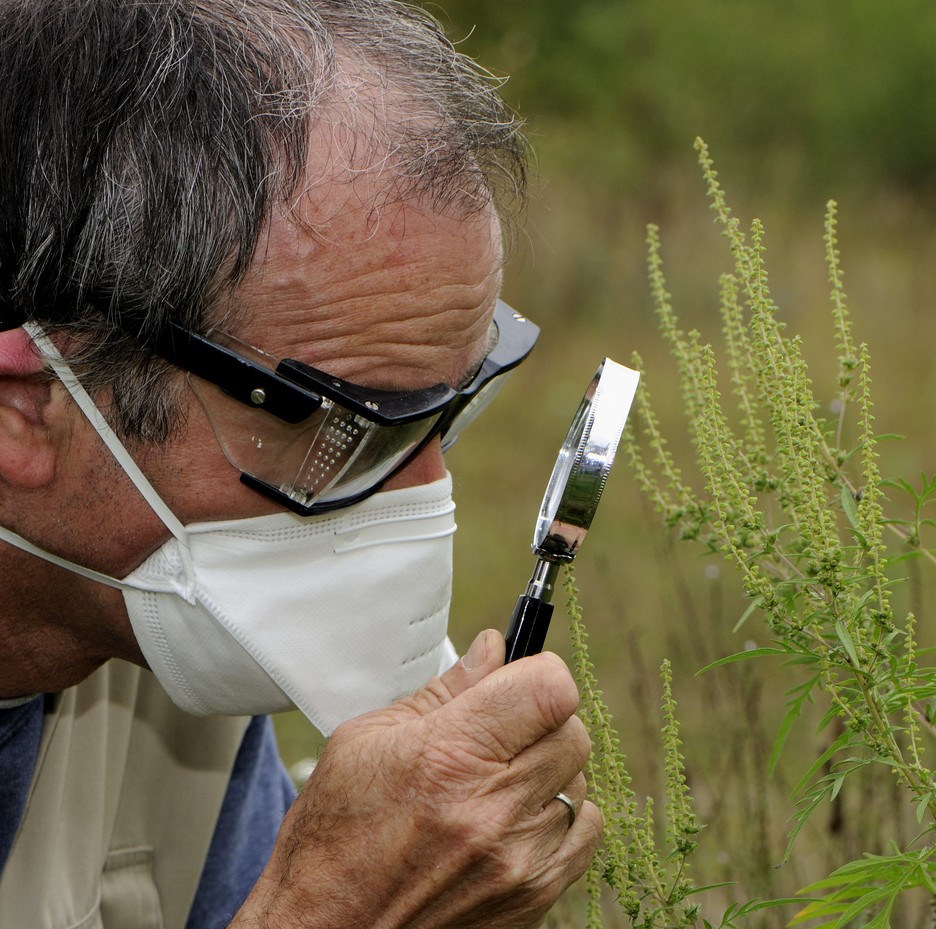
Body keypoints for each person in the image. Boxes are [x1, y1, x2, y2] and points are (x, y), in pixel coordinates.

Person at [0, 1, 601, 927]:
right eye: (336, 429)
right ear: (28, 409)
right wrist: (331, 911)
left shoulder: (173, 644)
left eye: (447, 413)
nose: (425, 498)